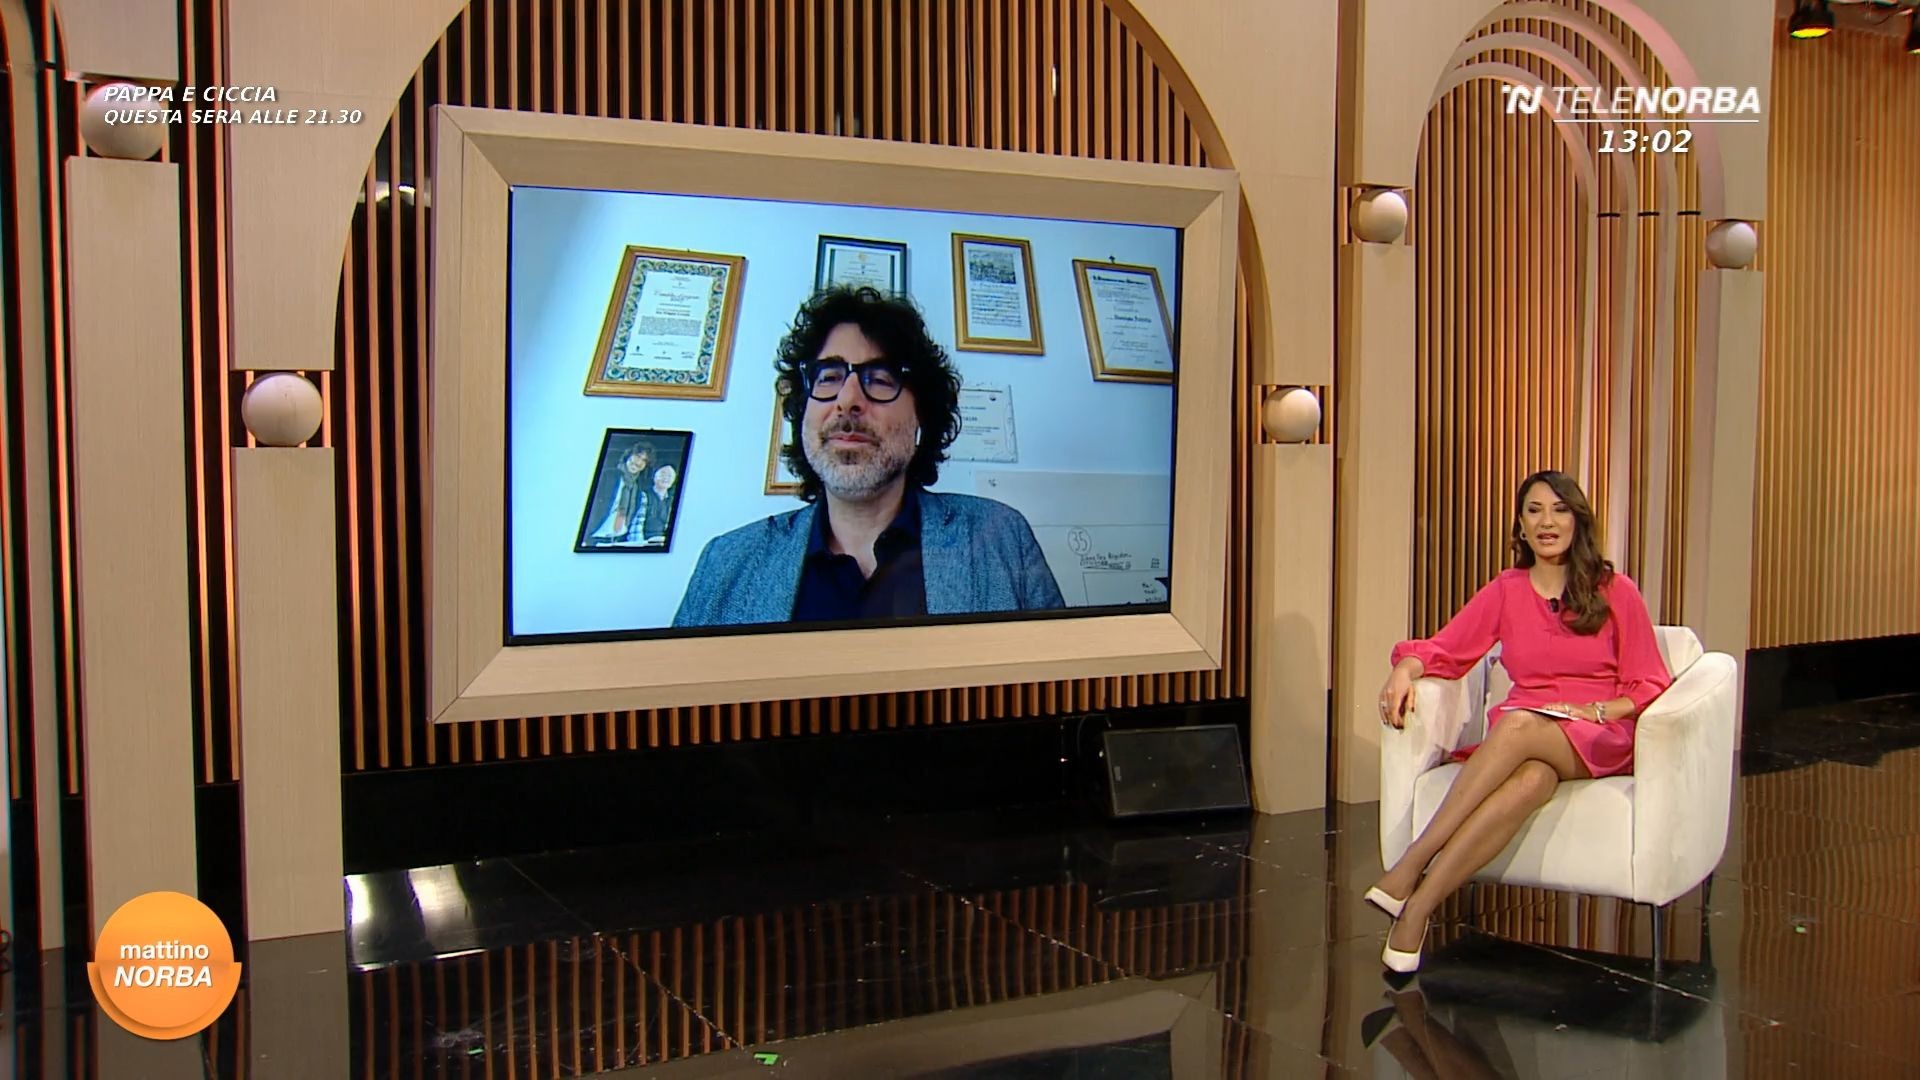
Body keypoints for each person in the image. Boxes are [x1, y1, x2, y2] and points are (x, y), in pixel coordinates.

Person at [1368, 470, 1672, 973]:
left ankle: (1411, 864)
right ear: (1521, 526)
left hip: (1598, 733)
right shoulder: (1507, 590)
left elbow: (1649, 681)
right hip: (1532, 733)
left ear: (1577, 520)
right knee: (1531, 779)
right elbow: (1450, 648)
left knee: (1514, 725)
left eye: (1559, 510)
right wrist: (1405, 667)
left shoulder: (1615, 590)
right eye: (1535, 511)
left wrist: (1597, 711)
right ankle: (1418, 910)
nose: (1547, 522)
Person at [673, 286, 1065, 626]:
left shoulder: (1001, 537)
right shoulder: (724, 563)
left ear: (921, 417)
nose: (847, 400)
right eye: (828, 377)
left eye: (878, 379)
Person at [589, 440, 654, 545]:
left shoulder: (638, 489)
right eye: (637, 456)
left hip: (618, 540)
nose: (638, 462)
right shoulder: (606, 476)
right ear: (629, 455)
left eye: (644, 460)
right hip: (594, 538)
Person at [641, 464, 678, 543]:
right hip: (645, 540)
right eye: (663, 474)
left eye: (670, 476)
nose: (666, 478)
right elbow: (638, 524)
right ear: (655, 476)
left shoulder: (673, 500)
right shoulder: (644, 495)